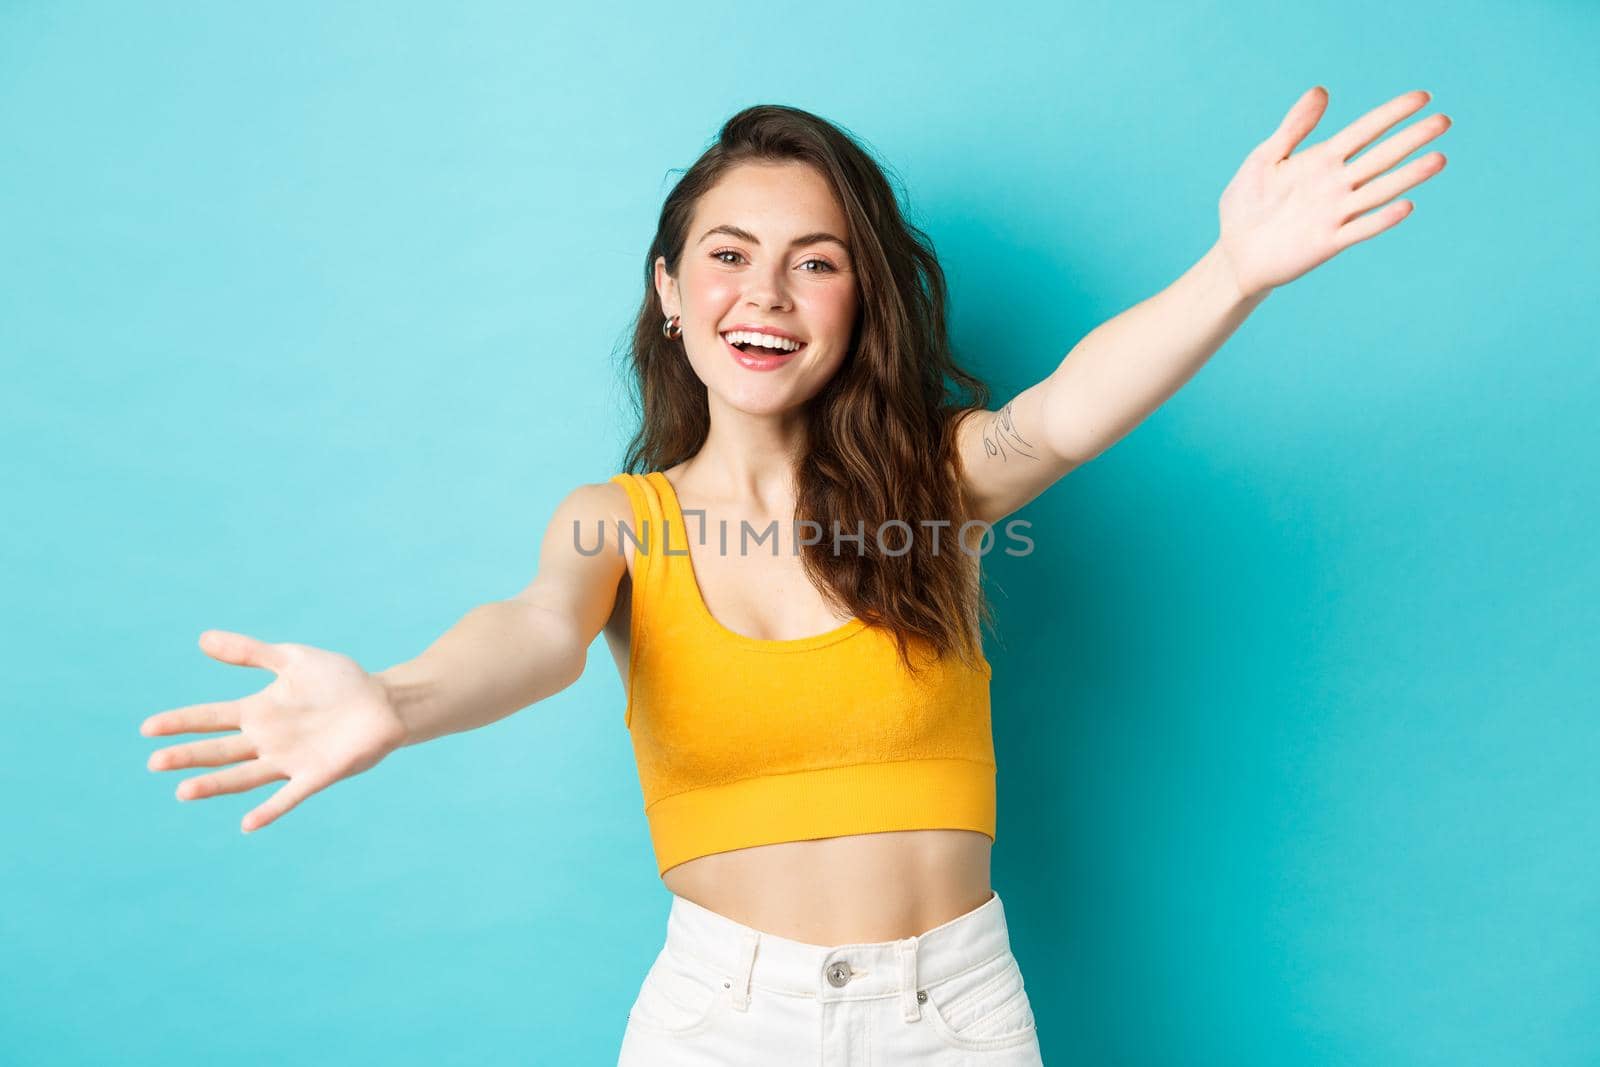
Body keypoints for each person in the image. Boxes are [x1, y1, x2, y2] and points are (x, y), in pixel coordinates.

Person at [139, 91, 1450, 1064]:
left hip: (959, 1014)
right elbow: (534, 633)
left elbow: (1066, 411)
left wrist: (1235, 272)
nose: (766, 291)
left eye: (816, 261)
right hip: (726, 1020)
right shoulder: (618, 525)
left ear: (859, 305)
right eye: (727, 252)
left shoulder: (931, 496)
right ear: (668, 289)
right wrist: (399, 698)